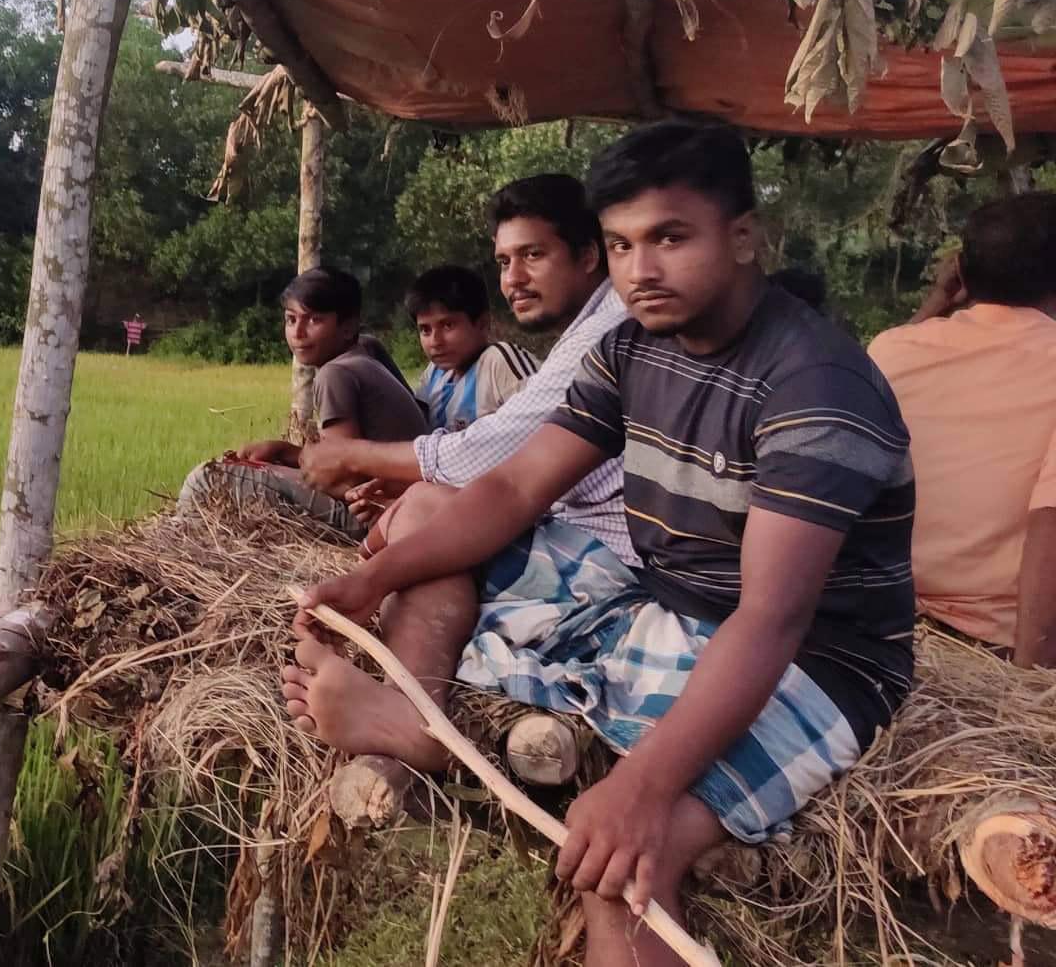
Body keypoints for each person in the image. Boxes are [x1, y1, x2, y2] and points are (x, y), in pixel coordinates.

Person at [283, 123, 914, 967]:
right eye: (620, 244)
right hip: (657, 599)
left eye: (669, 237)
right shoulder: (632, 346)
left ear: (744, 237)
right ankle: (416, 714)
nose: (639, 271)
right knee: (434, 516)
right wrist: (376, 579)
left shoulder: (814, 390)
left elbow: (770, 619)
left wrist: (641, 787)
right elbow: (511, 487)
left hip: (811, 660)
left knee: (620, 861)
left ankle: (491, 740)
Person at [299, 174, 634, 563]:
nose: (514, 279)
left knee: (421, 516)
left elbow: (491, 452)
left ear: (590, 256)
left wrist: (351, 455)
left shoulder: (600, 335)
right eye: (504, 262)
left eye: (533, 255)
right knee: (420, 509)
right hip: (569, 524)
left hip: (607, 554)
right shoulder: (437, 376)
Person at [869, 192, 1056, 667]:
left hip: (884, 620)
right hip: (994, 646)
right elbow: (1049, 524)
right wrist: (1027, 686)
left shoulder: (892, 350)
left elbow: (864, 378)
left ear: (960, 273)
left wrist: (935, 303)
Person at [176, 267, 427, 540]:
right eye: (291, 319)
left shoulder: (336, 374)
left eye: (314, 320)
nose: (298, 332)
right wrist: (287, 452)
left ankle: (176, 556)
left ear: (347, 328)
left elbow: (343, 480)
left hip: (372, 515)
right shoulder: (366, 349)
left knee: (206, 478)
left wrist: (273, 470)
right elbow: (349, 458)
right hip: (410, 503)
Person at [405, 265, 538, 431]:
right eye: (425, 330)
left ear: (482, 324)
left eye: (448, 325)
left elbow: (545, 424)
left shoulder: (498, 362)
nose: (435, 341)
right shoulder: (434, 374)